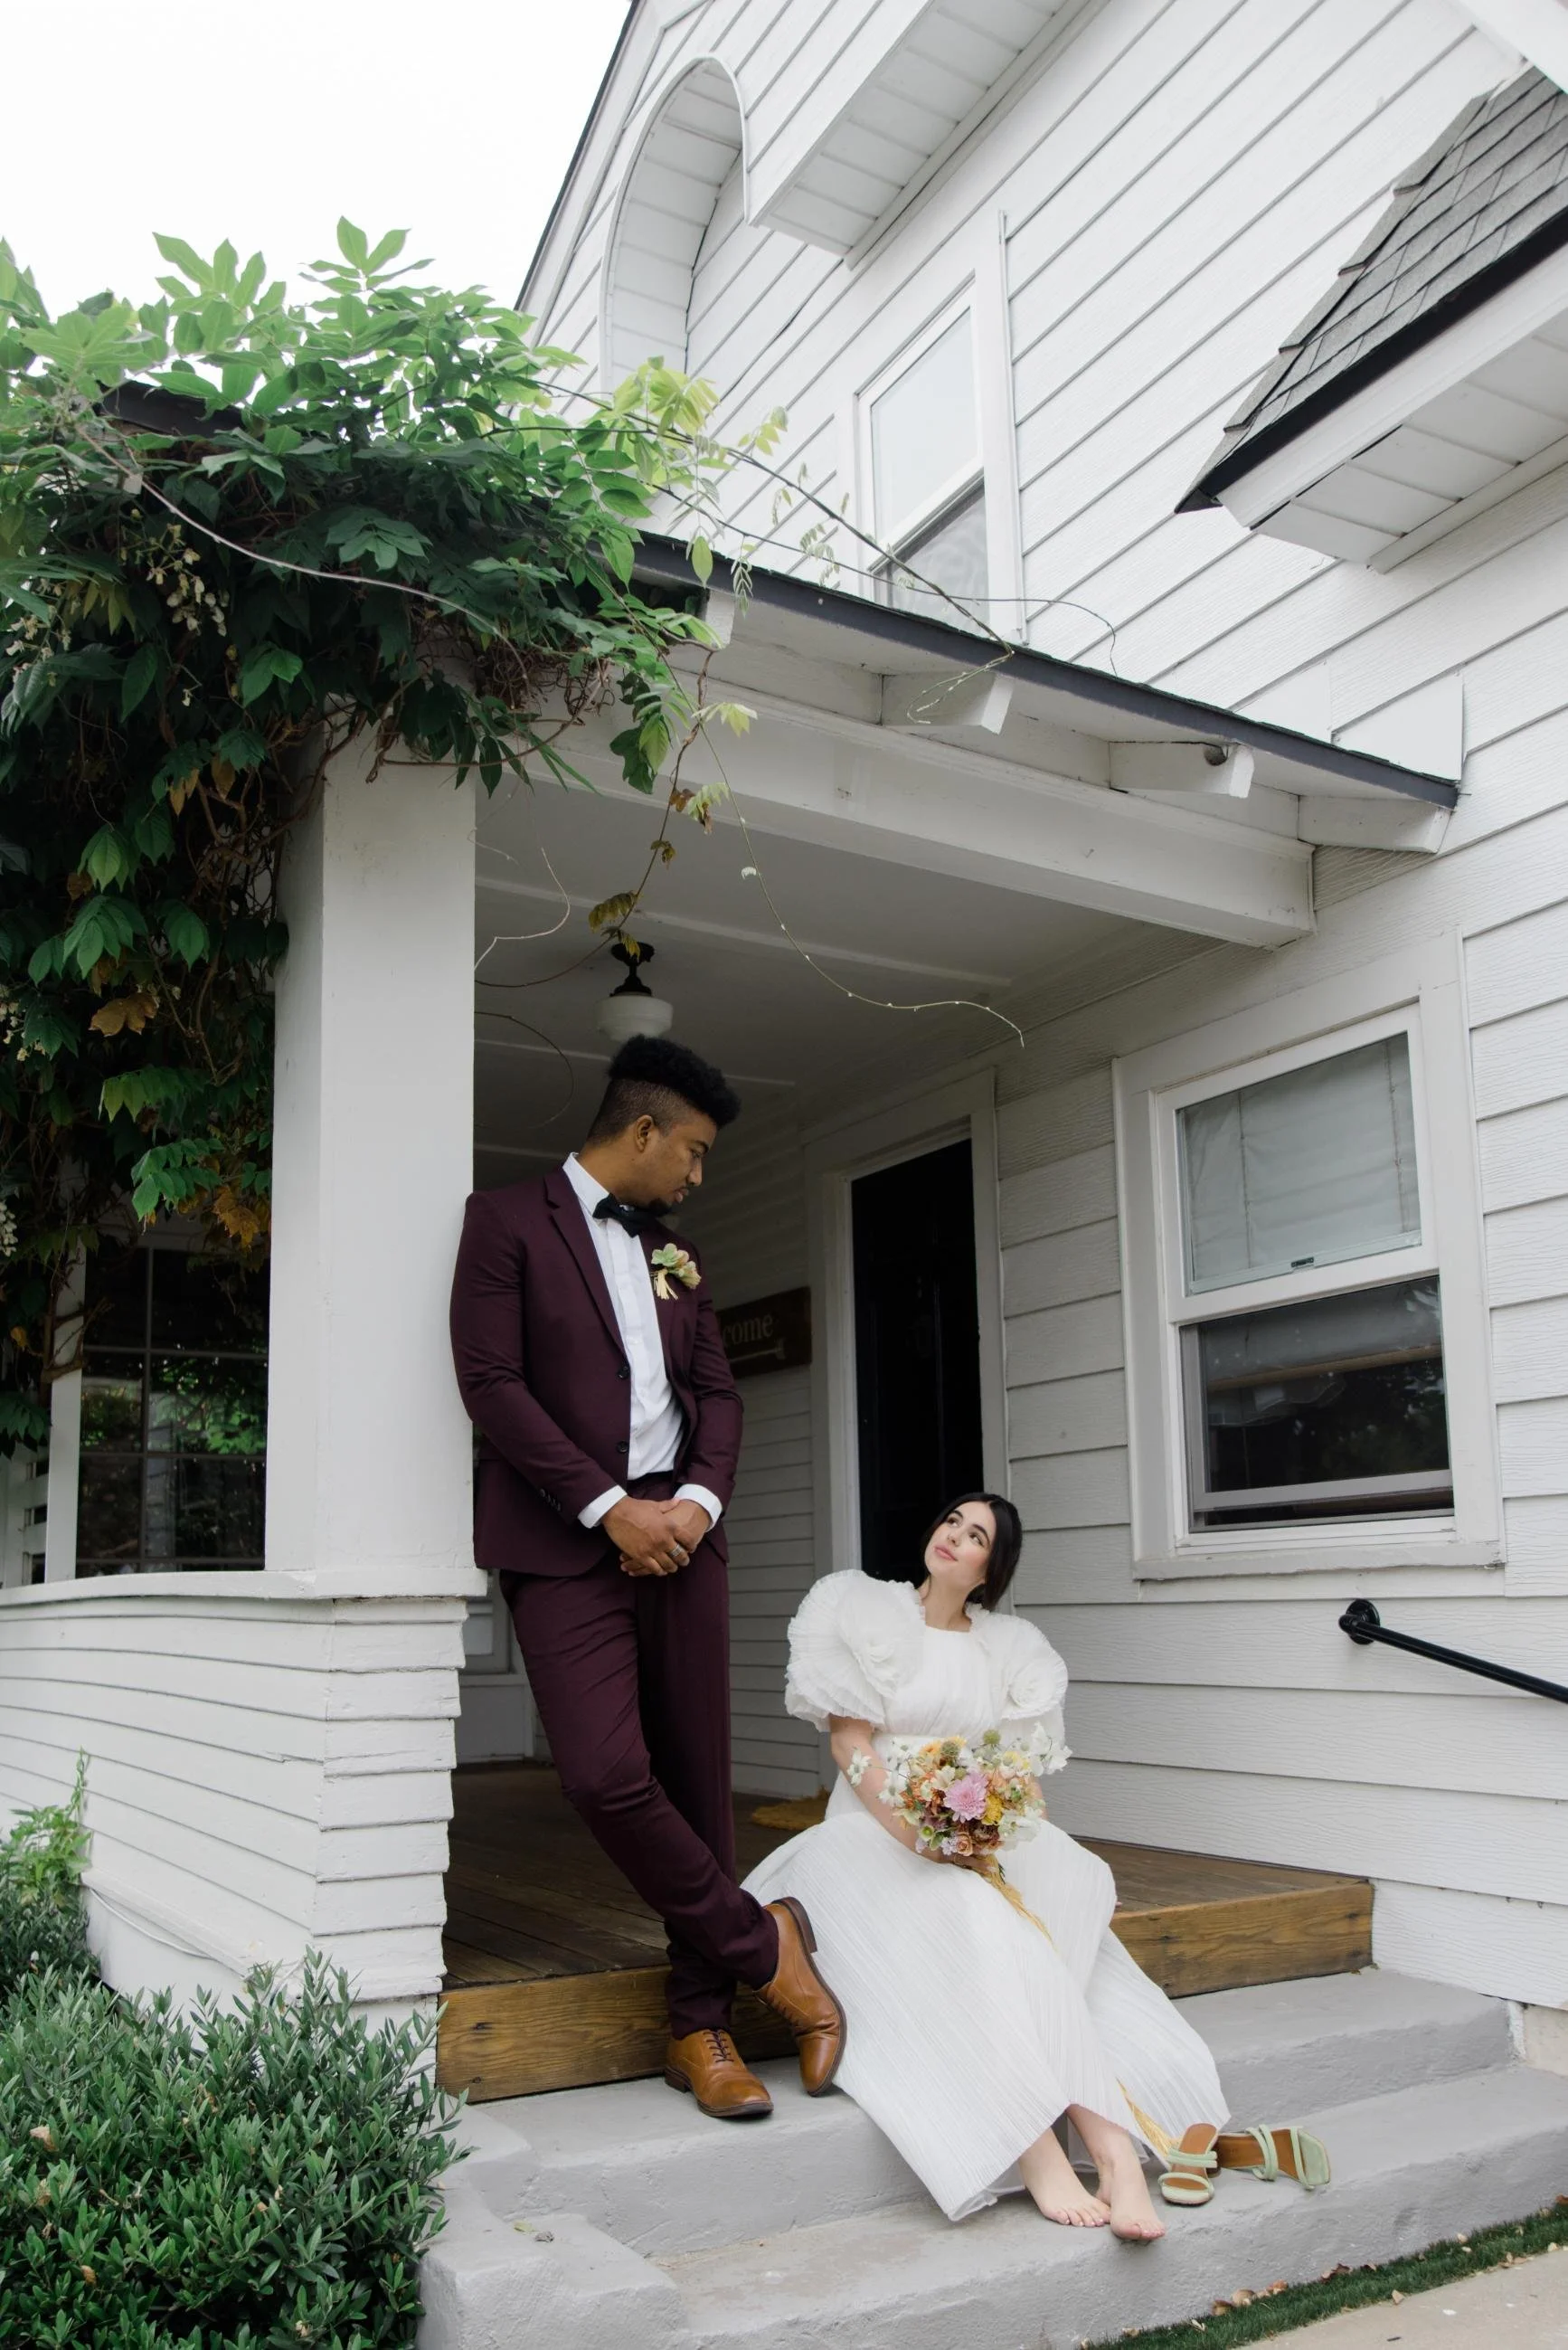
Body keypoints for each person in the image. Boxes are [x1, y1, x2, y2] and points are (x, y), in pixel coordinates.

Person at [449, 1035, 844, 2124]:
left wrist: (695, 1507)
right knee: (604, 1775)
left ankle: (698, 2024)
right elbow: (492, 1383)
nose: (697, 1177)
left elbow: (719, 1396)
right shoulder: (502, 1224)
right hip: (563, 1541)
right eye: (695, 1152)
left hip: (680, 1541)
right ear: (643, 1132)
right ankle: (768, 1945)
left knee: (692, 1773)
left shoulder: (681, 1256)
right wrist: (606, 1507)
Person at [743, 1493, 1226, 2238]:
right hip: (873, 1830)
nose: (954, 1538)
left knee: (1071, 1879)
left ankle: (1116, 2155)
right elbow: (849, 1747)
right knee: (976, 1927)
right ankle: (1038, 2145)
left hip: (968, 1829)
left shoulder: (1010, 1649)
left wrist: (985, 1826)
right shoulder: (866, 1612)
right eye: (950, 1523)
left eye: (976, 1537)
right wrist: (916, 1835)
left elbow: (1020, 1771)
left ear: (989, 1568)